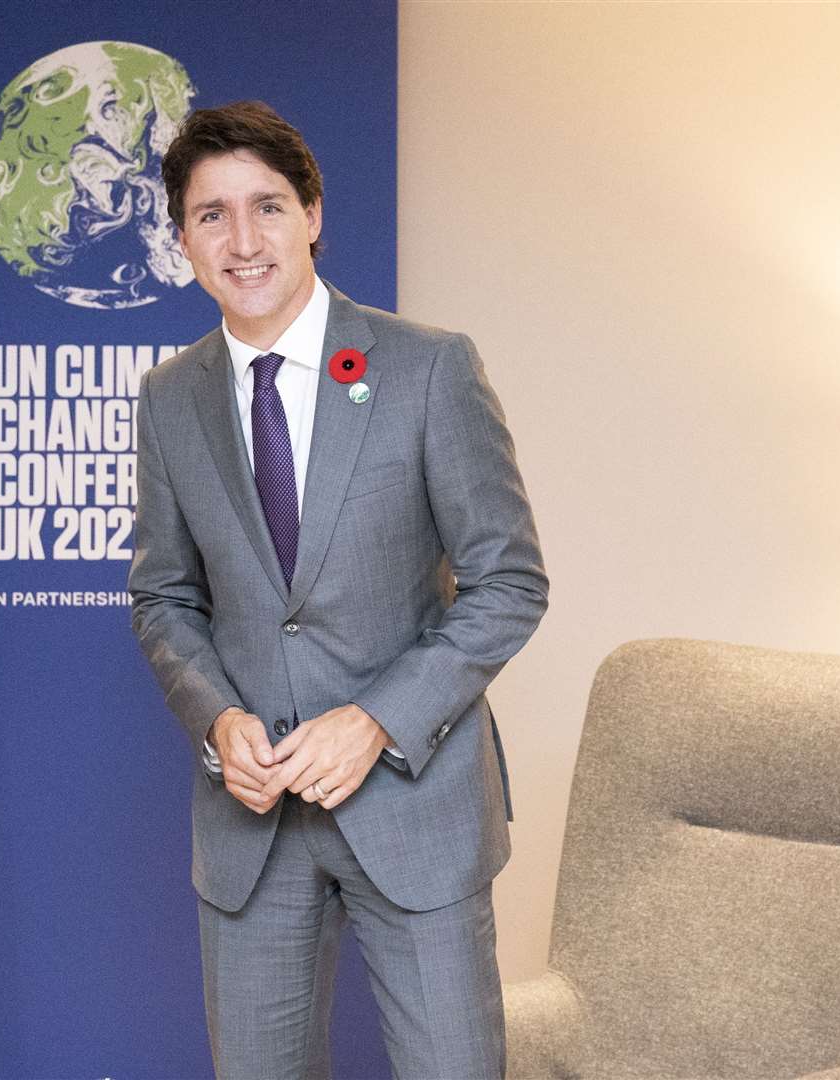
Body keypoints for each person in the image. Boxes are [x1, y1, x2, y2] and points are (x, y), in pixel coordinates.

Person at [129, 102, 548, 1079]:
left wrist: (375, 720)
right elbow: (164, 599)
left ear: (312, 212)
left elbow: (508, 582)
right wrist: (216, 715)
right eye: (210, 215)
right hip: (251, 824)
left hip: (415, 808)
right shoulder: (169, 397)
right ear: (182, 238)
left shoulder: (426, 368)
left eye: (266, 207)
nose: (242, 242)